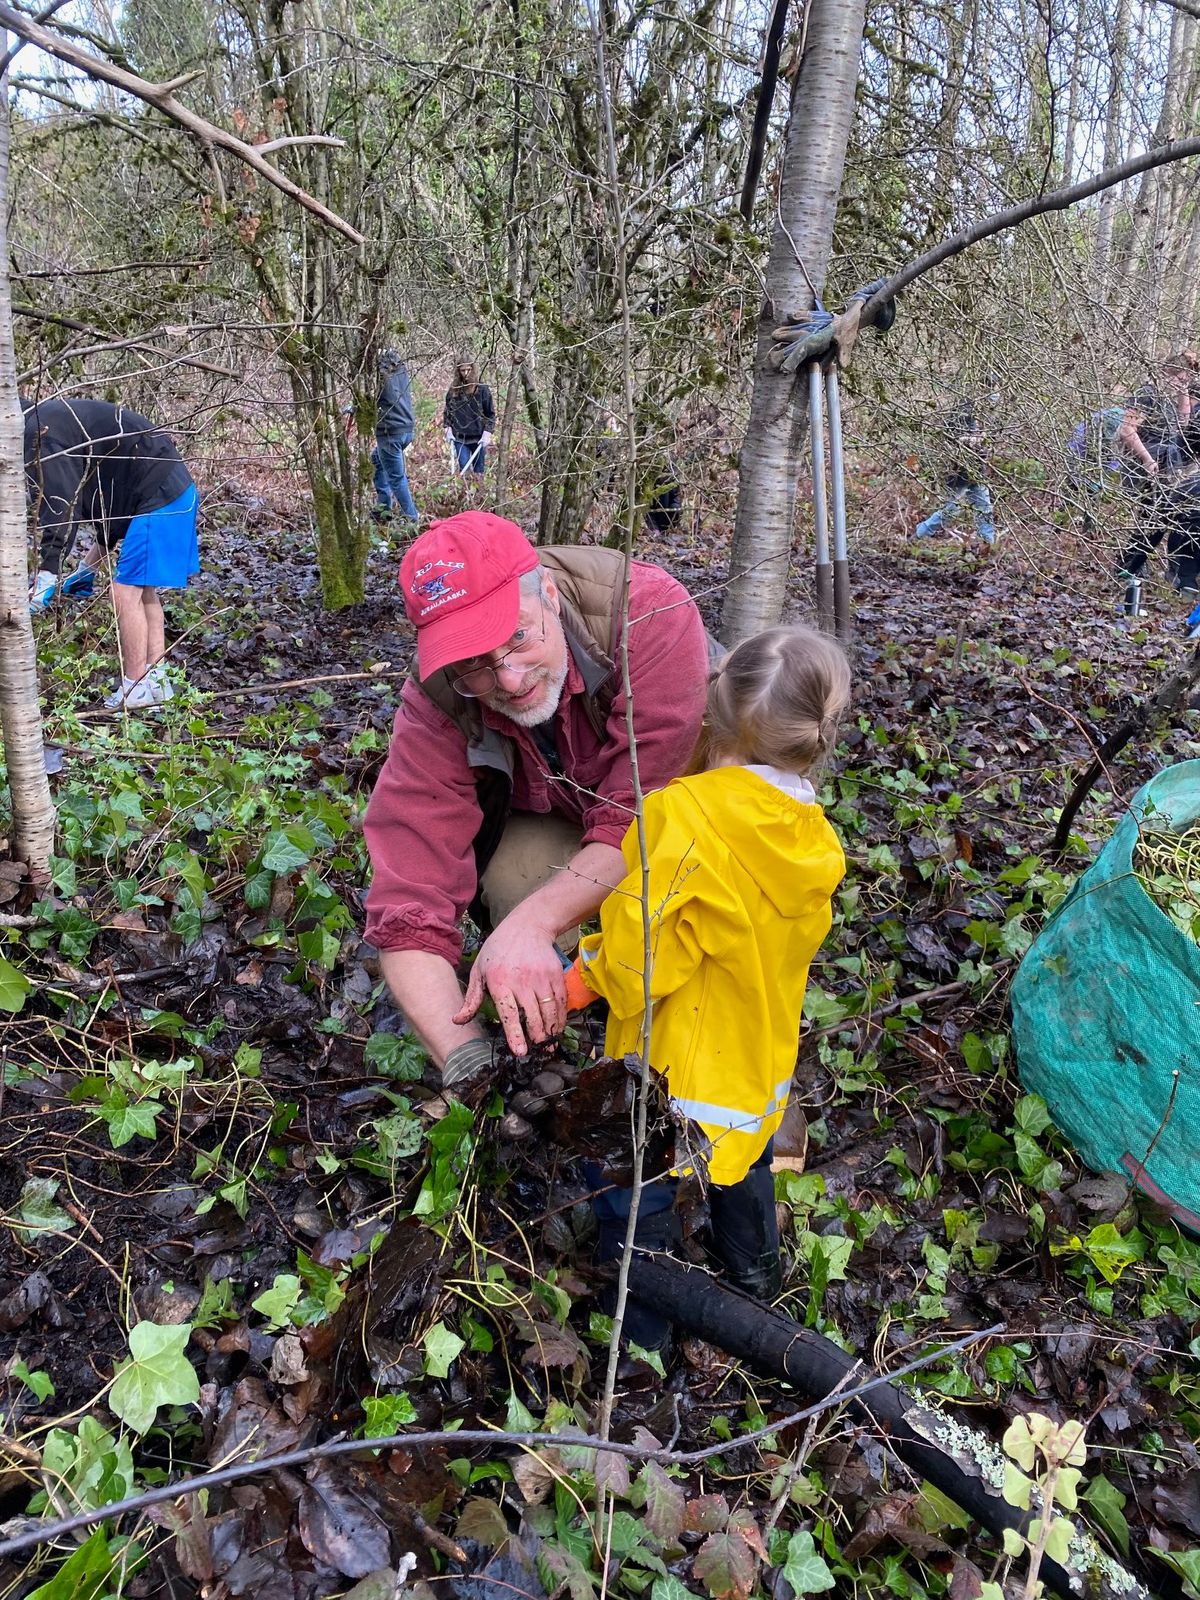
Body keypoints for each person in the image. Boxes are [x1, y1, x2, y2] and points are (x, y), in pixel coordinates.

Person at [561, 624, 849, 1349]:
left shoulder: (682, 816)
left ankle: (641, 1332)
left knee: (634, 1183)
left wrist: (586, 977)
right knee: (745, 1162)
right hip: (758, 1062)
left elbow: (643, 956)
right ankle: (755, 1284)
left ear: (715, 714)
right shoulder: (812, 835)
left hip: (676, 1066)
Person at [362, 511, 711, 1089]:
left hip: (688, 814)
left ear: (547, 593)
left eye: (518, 638)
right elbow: (408, 898)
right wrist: (465, 1058)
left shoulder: (648, 612)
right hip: (566, 813)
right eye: (474, 664)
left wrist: (534, 923)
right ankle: (569, 1043)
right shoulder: (440, 695)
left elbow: (641, 815)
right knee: (513, 882)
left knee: (692, 900)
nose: (510, 679)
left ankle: (703, 1057)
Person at [23, 396, 199, 709]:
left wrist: (48, 572)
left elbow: (60, 505)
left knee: (124, 591)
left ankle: (134, 690)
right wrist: (87, 568)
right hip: (171, 489)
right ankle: (157, 683)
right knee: (144, 591)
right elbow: (110, 511)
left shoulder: (38, 433)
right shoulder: (53, 418)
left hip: (159, 494)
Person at [914, 395, 996, 546]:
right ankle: (919, 535)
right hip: (959, 471)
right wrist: (975, 440)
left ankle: (989, 545)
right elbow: (949, 436)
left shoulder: (988, 415)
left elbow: (990, 437)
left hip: (977, 470)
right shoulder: (963, 411)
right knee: (951, 510)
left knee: (984, 508)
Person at [371, 350, 418, 524]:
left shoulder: (380, 376)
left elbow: (370, 399)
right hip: (406, 428)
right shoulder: (400, 370)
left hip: (390, 431)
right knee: (376, 458)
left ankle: (413, 518)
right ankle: (383, 506)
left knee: (396, 477)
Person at [442, 359, 495, 476]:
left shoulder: (482, 389)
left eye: (468, 370)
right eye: (462, 370)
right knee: (464, 471)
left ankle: (479, 494)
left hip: (478, 438)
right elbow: (447, 412)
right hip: (460, 438)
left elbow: (490, 414)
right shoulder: (453, 390)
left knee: (479, 472)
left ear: (473, 370)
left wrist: (488, 432)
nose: (466, 373)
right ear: (458, 371)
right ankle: (464, 494)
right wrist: (447, 428)